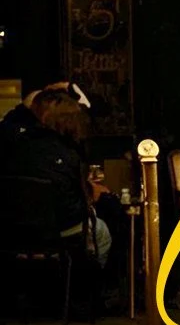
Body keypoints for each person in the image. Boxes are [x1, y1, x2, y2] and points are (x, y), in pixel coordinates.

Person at [1, 89, 110, 267]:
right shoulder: (68, 153)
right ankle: (91, 287)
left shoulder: (13, 142)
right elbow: (72, 207)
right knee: (101, 232)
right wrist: (91, 196)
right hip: (55, 235)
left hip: (11, 234)